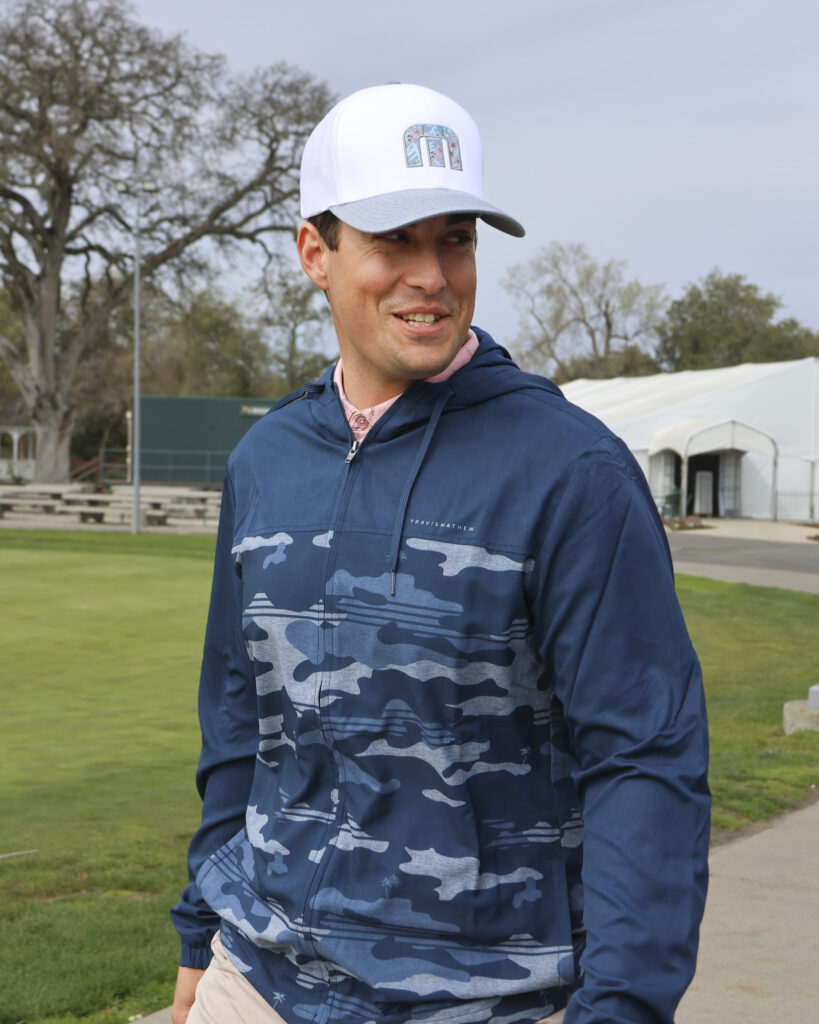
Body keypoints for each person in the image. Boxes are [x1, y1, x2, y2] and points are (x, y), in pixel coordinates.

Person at [170, 83, 710, 1024]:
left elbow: (646, 760)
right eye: (394, 242)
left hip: (487, 1002)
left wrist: (620, 1007)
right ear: (316, 253)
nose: (431, 275)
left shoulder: (569, 469)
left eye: (453, 238)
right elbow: (240, 713)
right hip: (254, 981)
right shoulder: (266, 460)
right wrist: (196, 941)